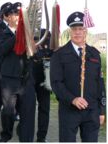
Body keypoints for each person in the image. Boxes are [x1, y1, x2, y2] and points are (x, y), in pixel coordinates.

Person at [50, 11, 106, 142]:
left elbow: (100, 83)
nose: (78, 32)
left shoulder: (94, 54)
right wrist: (73, 99)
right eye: (74, 29)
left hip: (91, 110)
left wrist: (102, 110)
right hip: (69, 109)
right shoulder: (59, 54)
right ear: (70, 31)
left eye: (81, 29)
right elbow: (56, 83)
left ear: (85, 31)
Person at [0, 2, 36, 142]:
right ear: (7, 17)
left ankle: (26, 139)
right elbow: (1, 50)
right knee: (8, 112)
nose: (18, 17)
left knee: (28, 113)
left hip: (27, 79)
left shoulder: (29, 32)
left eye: (19, 15)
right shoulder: (2, 32)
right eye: (14, 14)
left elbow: (36, 54)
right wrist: (17, 36)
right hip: (9, 80)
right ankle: (6, 134)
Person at [32, 29, 52, 142]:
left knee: (44, 109)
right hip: (30, 77)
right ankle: (24, 130)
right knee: (27, 108)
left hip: (45, 79)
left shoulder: (49, 39)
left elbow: (52, 55)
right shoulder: (30, 38)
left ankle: (41, 137)